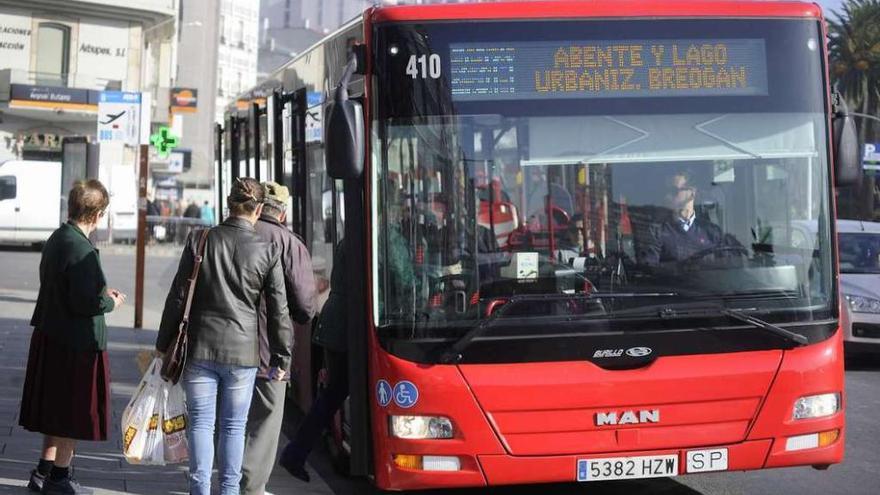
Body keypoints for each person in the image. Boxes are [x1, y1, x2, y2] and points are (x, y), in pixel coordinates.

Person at [157, 178, 292, 495]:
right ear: (258, 209)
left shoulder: (200, 239)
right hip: (243, 354)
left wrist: (163, 345)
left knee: (202, 423)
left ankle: (200, 489)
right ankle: (230, 490)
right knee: (234, 426)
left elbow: (177, 298)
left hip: (200, 348)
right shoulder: (267, 249)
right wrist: (281, 357)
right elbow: (279, 310)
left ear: (228, 205)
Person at [19, 180, 127, 495]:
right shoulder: (82, 249)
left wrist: (97, 291)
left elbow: (65, 287)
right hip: (76, 344)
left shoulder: (58, 238)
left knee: (56, 411)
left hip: (52, 335)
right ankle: (59, 478)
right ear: (98, 215)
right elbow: (86, 302)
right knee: (72, 412)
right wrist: (110, 301)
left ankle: (44, 471)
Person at [241, 182, 317, 494]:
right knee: (265, 421)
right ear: (282, 213)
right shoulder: (288, 243)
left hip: (223, 348)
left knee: (232, 419)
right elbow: (304, 306)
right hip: (268, 352)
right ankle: (250, 487)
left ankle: (228, 480)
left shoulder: (230, 234)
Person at [279, 240, 347, 483]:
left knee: (331, 396)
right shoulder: (384, 236)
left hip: (335, 324)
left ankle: (295, 453)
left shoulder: (347, 239)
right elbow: (401, 276)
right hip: (345, 328)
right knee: (332, 395)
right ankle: (295, 454)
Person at [639, 172, 734, 266]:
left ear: (692, 192)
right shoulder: (656, 231)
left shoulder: (712, 232)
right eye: (665, 191)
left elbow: (728, 266)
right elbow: (650, 269)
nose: (667, 196)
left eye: (673, 190)